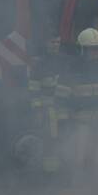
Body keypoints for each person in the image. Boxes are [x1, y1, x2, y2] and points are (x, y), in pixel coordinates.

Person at [65, 28, 98, 179]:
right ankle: (78, 183)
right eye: (91, 50)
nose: (94, 53)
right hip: (81, 120)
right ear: (82, 50)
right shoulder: (73, 69)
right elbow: (66, 95)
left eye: (97, 49)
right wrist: (69, 114)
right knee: (79, 156)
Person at [28, 35, 71, 180]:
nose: (55, 45)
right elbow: (34, 90)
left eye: (58, 42)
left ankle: (64, 173)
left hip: (64, 111)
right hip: (47, 112)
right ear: (46, 43)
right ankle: (49, 175)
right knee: (49, 144)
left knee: (66, 141)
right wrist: (38, 110)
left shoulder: (65, 61)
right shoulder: (40, 65)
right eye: (52, 42)